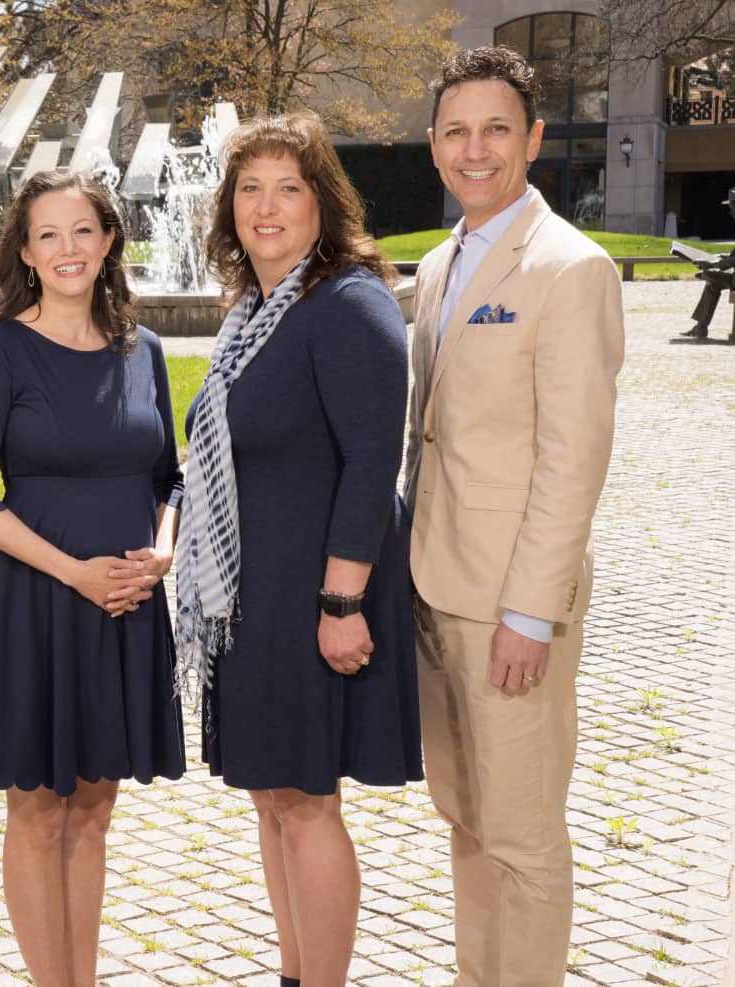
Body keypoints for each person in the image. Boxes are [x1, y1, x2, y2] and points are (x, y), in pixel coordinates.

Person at [177, 112, 421, 987]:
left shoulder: (349, 303)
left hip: (318, 590)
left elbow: (371, 461)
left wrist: (342, 602)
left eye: (289, 187)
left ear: (324, 202)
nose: (267, 207)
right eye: (250, 188)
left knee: (309, 801)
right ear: (230, 206)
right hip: (256, 594)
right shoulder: (253, 311)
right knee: (272, 795)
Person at [406, 46, 624, 987]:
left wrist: (531, 613)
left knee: (525, 836)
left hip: (509, 607)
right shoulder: (439, 264)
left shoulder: (571, 269)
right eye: (457, 131)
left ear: (532, 138)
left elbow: (573, 460)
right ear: (433, 145)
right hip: (433, 588)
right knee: (466, 818)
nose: (476, 149)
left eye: (497, 128)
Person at [0, 169, 186, 987]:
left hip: (126, 607)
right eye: (48, 234)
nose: (68, 248)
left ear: (110, 239)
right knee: (40, 808)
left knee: (96, 806)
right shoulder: (3, 350)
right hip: (39, 604)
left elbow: (170, 478)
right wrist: (74, 575)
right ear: (25, 251)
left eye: (82, 230)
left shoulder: (143, 349)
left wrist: (163, 553)